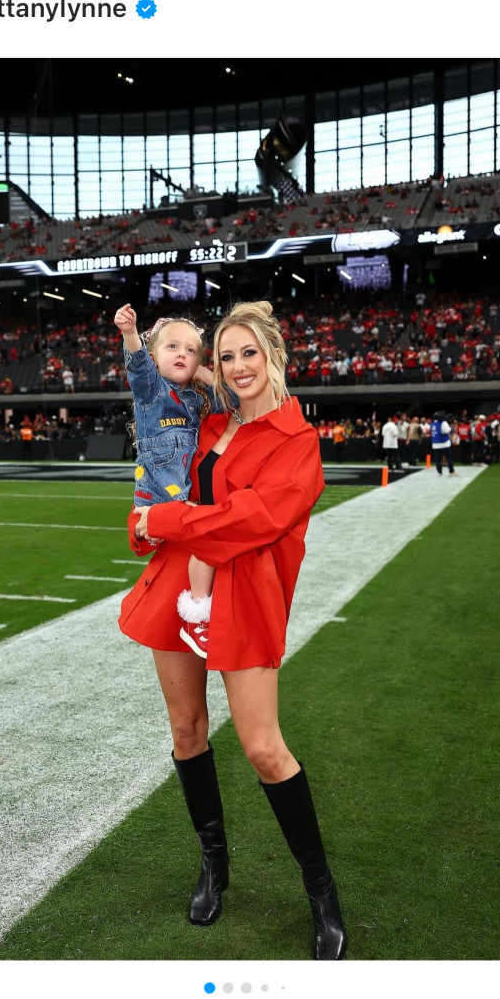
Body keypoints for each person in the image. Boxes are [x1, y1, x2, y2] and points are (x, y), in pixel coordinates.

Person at [119, 300, 347, 961]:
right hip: (182, 587)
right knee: (186, 730)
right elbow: (164, 472)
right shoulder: (210, 418)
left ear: (274, 356)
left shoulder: (298, 443)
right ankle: (214, 866)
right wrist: (147, 514)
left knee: (263, 747)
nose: (238, 365)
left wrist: (164, 523)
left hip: (244, 596)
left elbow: (249, 521)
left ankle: (322, 895)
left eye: (249, 352)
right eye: (227, 356)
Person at [115, 303, 225, 659]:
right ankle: (198, 614)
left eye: (192, 350)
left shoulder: (197, 401)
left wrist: (210, 376)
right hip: (158, 498)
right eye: (172, 347)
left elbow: (239, 405)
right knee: (204, 538)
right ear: (154, 355)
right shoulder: (152, 393)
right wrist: (130, 333)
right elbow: (138, 366)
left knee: (204, 543)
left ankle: (197, 613)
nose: (182, 354)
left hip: (182, 502)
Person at [431, 410, 455, 476]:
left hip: (435, 444)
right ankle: (451, 472)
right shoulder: (443, 423)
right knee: (449, 458)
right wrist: (452, 429)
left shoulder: (432, 423)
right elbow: (448, 431)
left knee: (438, 460)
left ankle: (439, 472)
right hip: (444, 444)